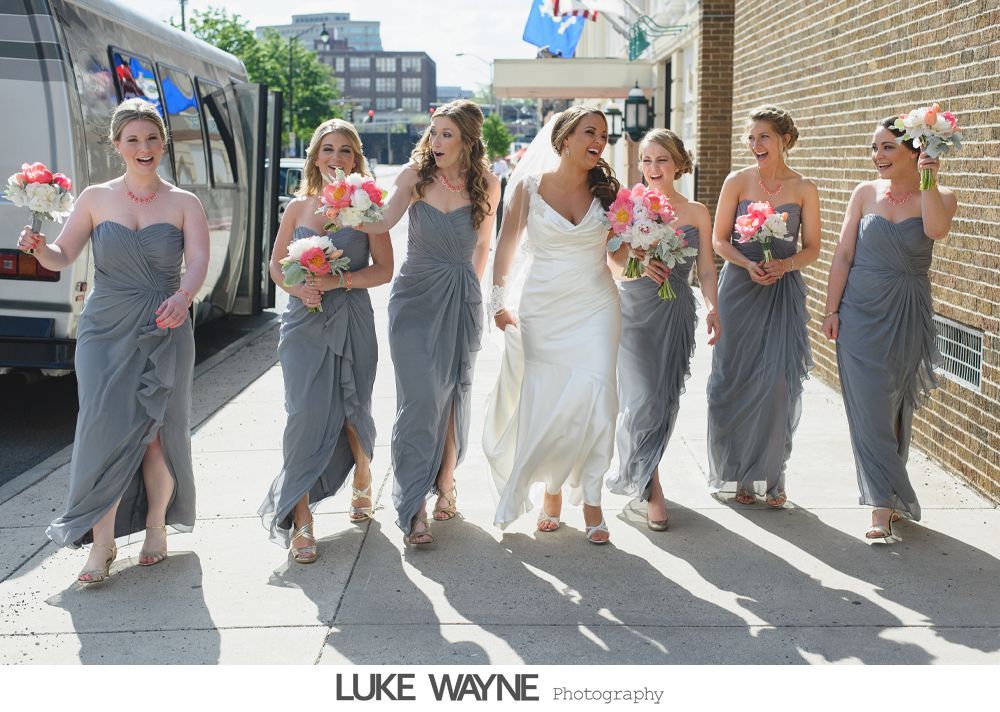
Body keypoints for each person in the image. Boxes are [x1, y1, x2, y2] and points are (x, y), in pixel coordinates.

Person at [18, 98, 209, 585]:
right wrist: (40, 249)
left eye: (152, 138)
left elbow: (199, 261)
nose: (144, 148)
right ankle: (101, 544)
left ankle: (156, 526)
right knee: (102, 432)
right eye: (133, 140)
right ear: (117, 145)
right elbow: (62, 255)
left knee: (156, 436)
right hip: (104, 330)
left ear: (163, 143)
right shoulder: (95, 198)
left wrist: (183, 297)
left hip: (165, 326)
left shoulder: (185, 202)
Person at [358, 99, 500, 546]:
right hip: (415, 299)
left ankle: (446, 482)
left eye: (446, 134)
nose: (435, 141)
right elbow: (382, 221)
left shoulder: (488, 185)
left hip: (461, 296)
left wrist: (471, 290)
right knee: (420, 399)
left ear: (467, 141)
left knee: (453, 393)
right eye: (433, 132)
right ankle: (413, 504)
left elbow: (483, 246)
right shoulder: (413, 177)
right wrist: (346, 206)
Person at [484, 106, 621, 544]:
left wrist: (644, 251)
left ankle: (594, 499)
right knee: (550, 403)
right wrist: (498, 304)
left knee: (598, 396)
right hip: (543, 308)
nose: (598, 140)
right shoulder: (528, 187)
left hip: (597, 305)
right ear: (564, 139)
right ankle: (553, 489)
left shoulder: (609, 193)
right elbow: (506, 247)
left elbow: (618, 261)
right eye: (590, 132)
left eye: (603, 134)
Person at [259, 119, 392, 563]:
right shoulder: (298, 208)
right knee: (303, 415)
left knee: (353, 411)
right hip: (304, 322)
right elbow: (276, 265)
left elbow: (384, 270)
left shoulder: (368, 208)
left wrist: (339, 282)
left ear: (356, 159)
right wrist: (298, 289)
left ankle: (362, 474)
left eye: (346, 151)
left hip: (352, 318)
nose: (336, 158)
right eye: (328, 149)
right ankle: (301, 518)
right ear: (315, 157)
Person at [822, 117, 956, 543]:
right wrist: (831, 309)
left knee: (894, 404)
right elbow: (843, 254)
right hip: (859, 312)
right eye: (874, 148)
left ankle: (889, 492)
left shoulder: (941, 197)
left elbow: (935, 230)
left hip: (906, 312)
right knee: (869, 406)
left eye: (887, 147)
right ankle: (881, 503)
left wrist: (930, 178)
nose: (877, 156)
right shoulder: (864, 193)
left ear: (916, 151)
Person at [606, 129, 720, 530]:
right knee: (643, 399)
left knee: (664, 401)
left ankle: (644, 474)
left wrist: (713, 307)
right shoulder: (627, 205)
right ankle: (651, 489)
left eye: (662, 160)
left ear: (679, 164)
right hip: (634, 313)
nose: (653, 168)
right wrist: (638, 261)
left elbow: (706, 269)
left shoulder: (697, 212)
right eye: (647, 160)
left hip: (675, 312)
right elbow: (612, 264)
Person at [707, 106, 820, 507]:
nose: (755, 144)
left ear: (784, 140)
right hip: (740, 288)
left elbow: (813, 248)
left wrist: (785, 265)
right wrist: (747, 263)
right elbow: (719, 240)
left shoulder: (804, 188)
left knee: (777, 385)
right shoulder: (737, 181)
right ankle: (738, 474)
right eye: (751, 138)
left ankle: (772, 475)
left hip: (781, 292)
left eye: (764, 137)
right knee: (734, 379)